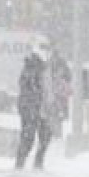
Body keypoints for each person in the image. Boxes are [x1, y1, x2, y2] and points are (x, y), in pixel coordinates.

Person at [15, 40, 59, 169]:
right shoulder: (32, 65)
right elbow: (28, 85)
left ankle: (37, 163)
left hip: (42, 107)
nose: (48, 52)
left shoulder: (46, 66)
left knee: (45, 136)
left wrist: (52, 103)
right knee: (28, 138)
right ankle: (20, 164)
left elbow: (48, 87)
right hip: (31, 107)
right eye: (45, 49)